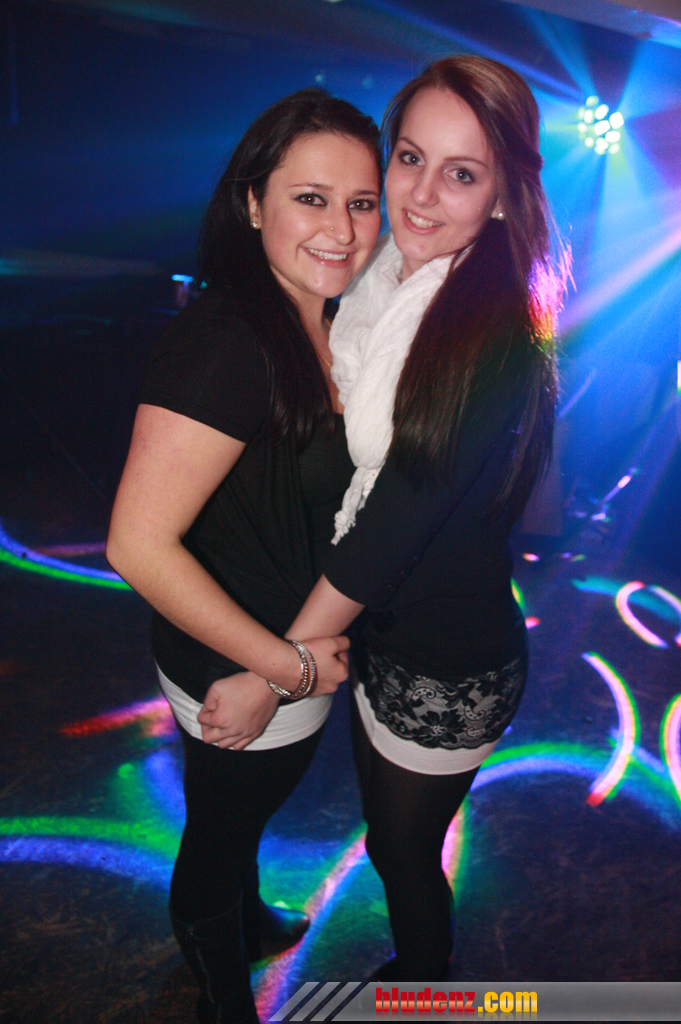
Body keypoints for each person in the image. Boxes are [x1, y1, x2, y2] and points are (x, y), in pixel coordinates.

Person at [200, 56, 569, 984]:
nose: (421, 195)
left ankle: (425, 983)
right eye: (409, 158)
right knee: (381, 827)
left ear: (502, 195)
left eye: (461, 173)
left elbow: (391, 526)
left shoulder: (488, 331)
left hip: (447, 662)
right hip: (372, 632)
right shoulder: (379, 282)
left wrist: (272, 673)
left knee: (399, 852)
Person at [106, 89, 382, 1024]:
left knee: (242, 813)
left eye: (361, 202)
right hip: (239, 658)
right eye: (310, 198)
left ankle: (248, 919)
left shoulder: (331, 321)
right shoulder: (228, 341)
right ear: (254, 202)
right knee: (219, 834)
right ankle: (220, 989)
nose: (340, 228)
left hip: (283, 644)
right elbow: (136, 545)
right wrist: (281, 667)